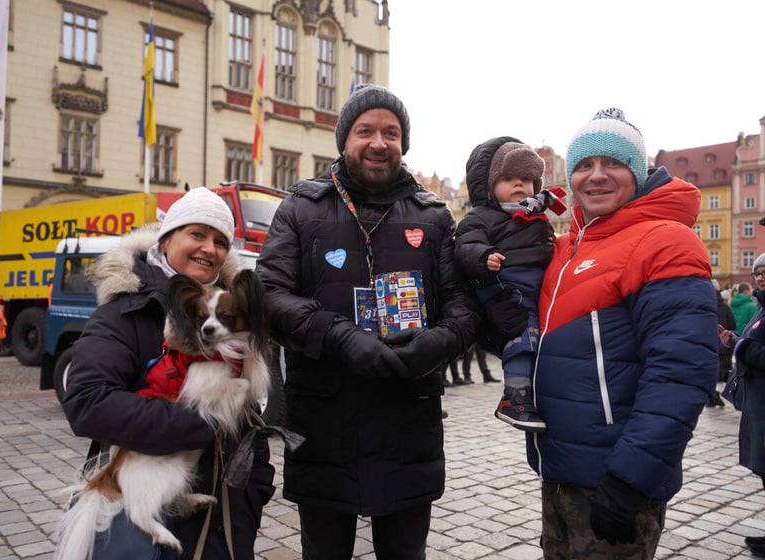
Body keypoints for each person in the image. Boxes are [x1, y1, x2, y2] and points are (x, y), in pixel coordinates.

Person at [255, 84, 480, 559]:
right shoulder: (300, 208)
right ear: (344, 140)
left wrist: (433, 346)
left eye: (391, 132)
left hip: (407, 419)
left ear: (404, 144)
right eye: (366, 131)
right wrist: (338, 336)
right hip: (323, 423)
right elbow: (269, 295)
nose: (379, 142)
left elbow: (463, 306)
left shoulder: (434, 217)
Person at [530, 108, 716, 558]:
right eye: (583, 165)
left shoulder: (664, 241)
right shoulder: (568, 247)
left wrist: (630, 477)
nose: (596, 176)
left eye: (612, 163)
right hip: (562, 472)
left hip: (614, 479)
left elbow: (681, 371)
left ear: (636, 171)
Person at [60, 187, 275, 560]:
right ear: (167, 236)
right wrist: (201, 423)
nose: (209, 248)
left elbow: (250, 415)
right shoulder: (124, 311)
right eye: (197, 234)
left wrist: (256, 489)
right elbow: (88, 402)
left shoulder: (231, 311)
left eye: (220, 240)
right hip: (147, 501)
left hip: (222, 518)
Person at [455, 137, 566, 432]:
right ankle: (514, 398)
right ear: (489, 185)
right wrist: (484, 256)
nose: (520, 184)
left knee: (542, 343)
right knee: (523, 339)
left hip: (536, 288)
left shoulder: (535, 216)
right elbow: (465, 245)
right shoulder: (481, 216)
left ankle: (535, 396)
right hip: (505, 287)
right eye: (508, 178)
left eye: (527, 179)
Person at [725, 252, 765, 557]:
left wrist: (742, 347)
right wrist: (733, 340)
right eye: (757, 273)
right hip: (757, 401)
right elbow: (751, 343)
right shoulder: (760, 308)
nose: (760, 277)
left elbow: (757, 351)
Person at [709, 279, 735, 407]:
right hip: (722, 341)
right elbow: (732, 324)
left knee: (709, 369)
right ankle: (716, 393)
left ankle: (711, 394)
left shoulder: (703, 305)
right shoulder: (724, 307)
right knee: (723, 369)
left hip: (707, 342)